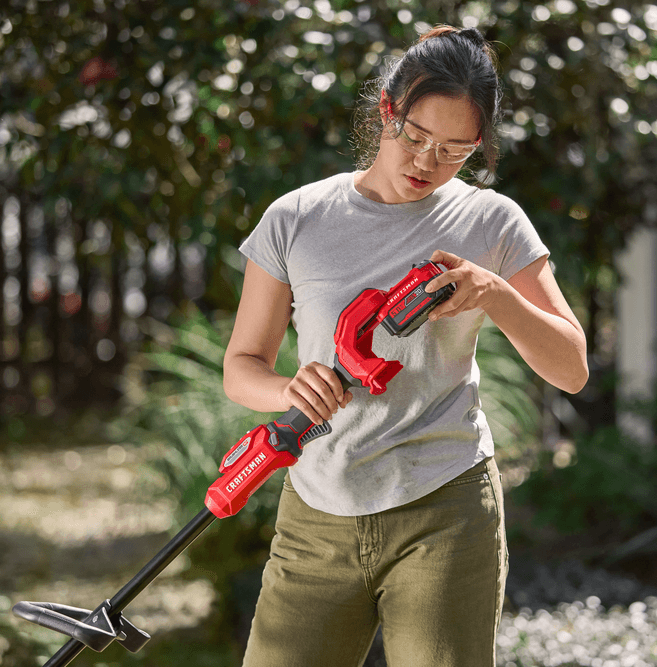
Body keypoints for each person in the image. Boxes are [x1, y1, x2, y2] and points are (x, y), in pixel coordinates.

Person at [223, 25, 588, 667]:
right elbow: (240, 367)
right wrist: (287, 388)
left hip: (443, 507)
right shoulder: (297, 219)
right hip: (317, 511)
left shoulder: (491, 221)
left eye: (454, 150)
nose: (426, 162)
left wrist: (494, 293)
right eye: (414, 137)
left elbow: (572, 368)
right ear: (385, 111)